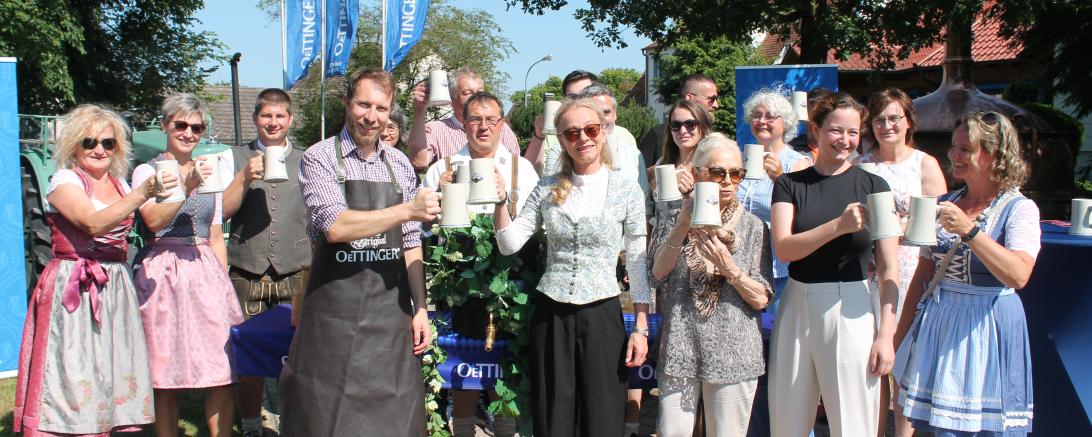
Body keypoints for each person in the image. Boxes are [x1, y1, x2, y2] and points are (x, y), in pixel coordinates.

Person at [279, 68, 440, 436]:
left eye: (381, 108)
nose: (372, 116)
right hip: (333, 322)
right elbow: (336, 227)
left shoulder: (399, 164)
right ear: (346, 103)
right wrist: (406, 210)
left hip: (390, 323)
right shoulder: (320, 158)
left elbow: (411, 243)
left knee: (394, 420)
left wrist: (421, 308)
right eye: (364, 104)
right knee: (324, 418)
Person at [494, 98, 650, 436]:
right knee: (554, 415)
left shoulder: (626, 189)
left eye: (591, 130)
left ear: (603, 132)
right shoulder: (547, 187)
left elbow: (638, 259)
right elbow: (509, 244)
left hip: (603, 312)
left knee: (604, 412)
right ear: (562, 140)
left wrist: (641, 326)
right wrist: (499, 202)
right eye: (572, 133)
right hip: (552, 314)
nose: (583, 138)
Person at [14, 104, 159, 436]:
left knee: (113, 365)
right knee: (75, 370)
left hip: (115, 284)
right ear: (74, 146)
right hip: (74, 286)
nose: (99, 149)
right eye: (89, 142)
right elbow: (92, 223)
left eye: (108, 143)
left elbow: (154, 219)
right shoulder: (65, 180)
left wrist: (187, 185)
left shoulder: (120, 183)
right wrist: (142, 194)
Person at [893, 112, 1038, 437]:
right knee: (942, 430)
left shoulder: (1019, 209)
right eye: (954, 147)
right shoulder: (946, 202)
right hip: (942, 324)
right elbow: (921, 276)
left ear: (994, 154)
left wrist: (971, 232)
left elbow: (1019, 275)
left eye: (964, 149)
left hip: (987, 324)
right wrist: (898, 341)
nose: (953, 156)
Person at [768, 92, 900, 437]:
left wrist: (886, 335)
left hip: (852, 305)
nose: (845, 140)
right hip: (797, 304)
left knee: (854, 422)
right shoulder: (790, 184)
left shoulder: (874, 186)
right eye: (836, 130)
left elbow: (889, 269)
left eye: (853, 132)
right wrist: (837, 227)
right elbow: (784, 248)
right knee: (788, 420)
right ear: (817, 129)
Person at [421, 91, 539, 437]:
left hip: (509, 283)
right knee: (462, 368)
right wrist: (440, 198)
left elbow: (536, 229)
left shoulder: (522, 169)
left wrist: (506, 198)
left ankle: (504, 431)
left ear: (502, 124)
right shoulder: (440, 169)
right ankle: (461, 431)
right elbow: (421, 228)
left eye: (491, 119)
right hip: (457, 285)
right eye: (475, 119)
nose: (483, 126)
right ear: (464, 124)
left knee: (505, 370)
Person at [131, 93, 243, 437]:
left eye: (197, 127)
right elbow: (152, 221)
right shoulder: (146, 171)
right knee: (164, 373)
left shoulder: (211, 171)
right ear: (165, 125)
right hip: (162, 269)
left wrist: (221, 282)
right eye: (180, 125)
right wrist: (185, 184)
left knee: (223, 367)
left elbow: (215, 234)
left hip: (204, 268)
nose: (188, 132)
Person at [649, 133, 773, 436]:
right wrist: (682, 224)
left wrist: (729, 268)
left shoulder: (753, 226)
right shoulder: (675, 214)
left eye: (736, 173)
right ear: (696, 174)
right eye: (717, 173)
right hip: (681, 346)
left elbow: (761, 298)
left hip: (735, 352)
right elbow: (656, 274)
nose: (728, 181)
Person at [220, 88, 310, 437]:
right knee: (248, 352)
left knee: (297, 353)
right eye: (266, 116)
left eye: (279, 116)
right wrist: (244, 178)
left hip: (296, 267)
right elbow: (222, 212)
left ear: (290, 120)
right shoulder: (233, 156)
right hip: (248, 267)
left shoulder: (308, 159)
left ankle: (295, 421)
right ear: (256, 118)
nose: (272, 122)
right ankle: (251, 423)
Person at [857, 88, 947, 437]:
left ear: (908, 121)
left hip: (910, 269)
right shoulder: (862, 164)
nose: (886, 125)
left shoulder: (923, 163)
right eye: (879, 119)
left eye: (893, 117)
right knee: (871, 362)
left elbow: (938, 219)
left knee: (905, 362)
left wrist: (893, 225)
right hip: (868, 272)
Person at [736, 89, 813, 319]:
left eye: (770, 116)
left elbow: (806, 214)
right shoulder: (740, 160)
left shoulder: (798, 164)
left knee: (777, 334)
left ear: (785, 123)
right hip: (741, 262)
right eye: (757, 115)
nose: (762, 121)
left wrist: (781, 179)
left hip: (778, 268)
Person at [408, 67, 521, 171]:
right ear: (452, 97)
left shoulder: (501, 128)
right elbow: (419, 162)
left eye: (480, 92)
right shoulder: (436, 130)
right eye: (468, 92)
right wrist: (419, 110)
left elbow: (517, 168)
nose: (476, 97)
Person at [524, 69, 600, 173]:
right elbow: (527, 174)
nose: (578, 101)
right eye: (572, 97)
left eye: (585, 95)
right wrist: (538, 135)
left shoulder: (620, 135)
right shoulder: (551, 133)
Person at [639, 74, 721, 166]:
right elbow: (641, 175)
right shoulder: (657, 135)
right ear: (690, 98)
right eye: (711, 99)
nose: (716, 105)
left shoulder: (719, 148)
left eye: (691, 124)